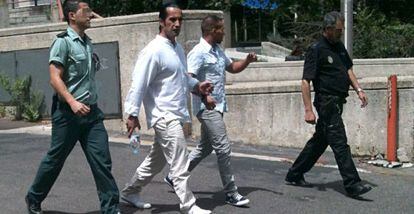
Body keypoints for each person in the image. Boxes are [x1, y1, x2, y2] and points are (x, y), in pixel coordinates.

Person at [25, 1, 121, 213]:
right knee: (55, 160)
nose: (90, 15)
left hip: (92, 114)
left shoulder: (87, 42)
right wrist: (72, 101)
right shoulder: (63, 43)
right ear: (71, 16)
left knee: (102, 162)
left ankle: (111, 208)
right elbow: (54, 78)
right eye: (85, 11)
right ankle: (34, 197)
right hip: (68, 114)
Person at [121, 3, 212, 214]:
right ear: (161, 22)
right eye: (172, 20)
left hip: (176, 113)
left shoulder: (177, 48)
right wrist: (132, 114)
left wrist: (197, 86)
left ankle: (129, 192)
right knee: (180, 160)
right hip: (164, 115)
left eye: (180, 19)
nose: (177, 24)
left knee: (156, 162)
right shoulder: (153, 51)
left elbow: (181, 78)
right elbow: (139, 83)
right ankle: (188, 205)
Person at [164, 15, 257, 206]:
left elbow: (232, 67)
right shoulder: (198, 52)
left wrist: (247, 61)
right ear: (212, 30)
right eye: (222, 29)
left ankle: (175, 176)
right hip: (207, 107)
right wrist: (204, 96)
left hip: (219, 105)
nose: (224, 32)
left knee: (205, 147)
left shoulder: (217, 50)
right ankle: (231, 192)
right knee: (223, 147)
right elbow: (188, 80)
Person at [285, 11, 372, 197]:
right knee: (340, 143)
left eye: (342, 30)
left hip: (339, 101)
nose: (341, 33)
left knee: (320, 142)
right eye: (338, 30)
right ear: (328, 29)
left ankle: (295, 174)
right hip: (326, 102)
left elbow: (348, 70)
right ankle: (352, 183)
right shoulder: (316, 49)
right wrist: (308, 110)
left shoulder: (339, 47)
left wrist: (359, 90)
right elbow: (305, 81)